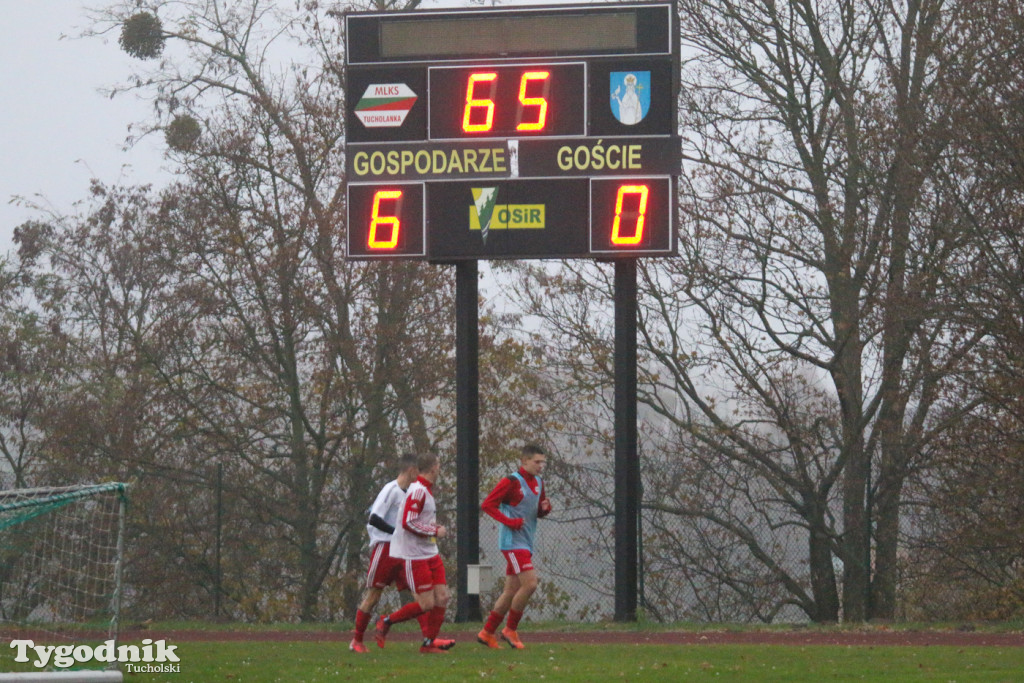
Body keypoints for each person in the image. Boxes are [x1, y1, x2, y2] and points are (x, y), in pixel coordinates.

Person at [375, 452, 454, 654]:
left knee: (443, 597)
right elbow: (408, 522)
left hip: (430, 552)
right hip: (415, 555)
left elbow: (417, 519)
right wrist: (434, 530)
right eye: (438, 464)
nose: (439, 468)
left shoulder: (426, 490)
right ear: (433, 467)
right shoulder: (418, 490)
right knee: (426, 603)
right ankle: (386, 621)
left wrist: (430, 526)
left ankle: (428, 643)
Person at [477, 444, 551, 650]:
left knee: (510, 591)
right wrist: (509, 522)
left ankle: (486, 632)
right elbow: (487, 505)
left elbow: (535, 511)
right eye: (537, 462)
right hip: (512, 543)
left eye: (542, 462)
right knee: (531, 584)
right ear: (524, 461)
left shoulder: (538, 482)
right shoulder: (510, 481)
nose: (540, 466)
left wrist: (545, 509)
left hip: (526, 542)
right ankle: (510, 629)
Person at [349, 453, 423, 653]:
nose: (420, 474)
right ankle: (356, 641)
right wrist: (396, 532)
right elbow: (374, 518)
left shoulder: (411, 493)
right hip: (386, 549)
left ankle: (426, 640)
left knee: (422, 596)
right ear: (411, 470)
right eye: (418, 470)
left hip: (404, 550)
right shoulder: (390, 490)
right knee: (373, 595)